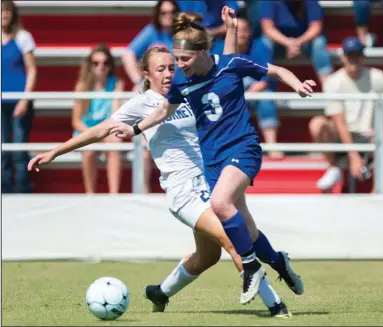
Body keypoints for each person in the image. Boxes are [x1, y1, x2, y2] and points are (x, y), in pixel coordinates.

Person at [27, 7, 291, 318]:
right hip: (183, 189)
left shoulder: (188, 90)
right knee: (232, 238)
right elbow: (99, 130)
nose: (168, 73)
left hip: (211, 177)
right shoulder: (141, 104)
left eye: (171, 67)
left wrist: (230, 28)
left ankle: (159, 292)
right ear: (146, 74)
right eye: (161, 69)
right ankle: (276, 306)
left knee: (207, 256)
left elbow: (225, 70)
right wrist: (56, 151)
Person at [112, 10, 315, 306]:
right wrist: (135, 128)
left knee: (220, 204)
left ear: (204, 52)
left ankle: (251, 269)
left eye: (184, 60)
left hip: (242, 148)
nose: (177, 67)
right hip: (213, 161)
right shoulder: (183, 83)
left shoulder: (232, 64)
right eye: (176, 60)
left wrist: (296, 83)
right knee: (246, 229)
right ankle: (279, 262)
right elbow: (161, 112)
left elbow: (275, 71)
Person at [309, 37, 383, 192]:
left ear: (363, 56)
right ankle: (334, 168)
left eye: (356, 55)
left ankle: (378, 197)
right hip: (345, 135)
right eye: (350, 55)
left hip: (371, 135)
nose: (353, 59)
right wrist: (354, 156)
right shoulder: (333, 82)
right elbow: (340, 122)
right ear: (343, 56)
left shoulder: (377, 77)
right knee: (317, 124)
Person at [123, 0, 181, 193]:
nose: (168, 15)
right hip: (154, 98)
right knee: (147, 145)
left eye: (172, 12)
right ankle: (144, 191)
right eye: (164, 12)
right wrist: (138, 81)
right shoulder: (151, 31)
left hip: (178, 98)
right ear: (157, 14)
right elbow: (128, 54)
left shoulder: (181, 36)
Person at [229, 11, 283, 158]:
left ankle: (272, 145)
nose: (242, 34)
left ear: (251, 31)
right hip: (232, 93)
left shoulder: (260, 47)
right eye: (238, 30)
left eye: (245, 30)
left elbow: (265, 79)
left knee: (266, 99)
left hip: (256, 92)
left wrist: (247, 94)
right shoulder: (220, 48)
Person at [72, 44, 124, 194]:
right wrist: (93, 134)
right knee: (89, 151)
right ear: (90, 65)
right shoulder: (82, 86)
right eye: (96, 63)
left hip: (107, 130)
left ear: (110, 65)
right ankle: (90, 194)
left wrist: (117, 95)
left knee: (115, 146)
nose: (101, 67)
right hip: (86, 130)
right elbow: (76, 121)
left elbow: (116, 115)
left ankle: (114, 194)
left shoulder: (116, 83)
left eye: (105, 63)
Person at [1, 0, 37, 194]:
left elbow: (32, 69)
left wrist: (25, 98)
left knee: (18, 147)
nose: (4, 15)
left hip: (19, 102)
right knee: (1, 149)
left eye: (7, 12)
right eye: (1, 12)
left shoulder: (23, 37)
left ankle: (22, 188)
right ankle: (4, 189)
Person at [260, 0, 333, 85]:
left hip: (305, 44)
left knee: (319, 42)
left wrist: (298, 42)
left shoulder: (311, 2)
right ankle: (263, 83)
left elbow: (316, 27)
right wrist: (288, 43)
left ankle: (328, 84)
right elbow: (268, 28)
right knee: (264, 42)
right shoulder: (270, 2)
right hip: (280, 44)